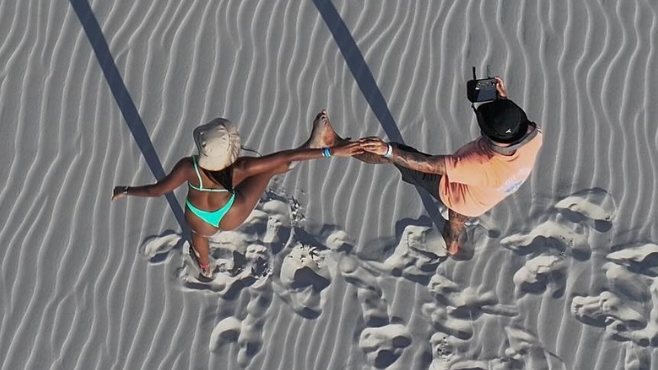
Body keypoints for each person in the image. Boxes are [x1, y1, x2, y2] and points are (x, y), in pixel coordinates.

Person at [113, 111, 362, 277]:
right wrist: (329, 153)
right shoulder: (240, 168)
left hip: (198, 219)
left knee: (199, 235)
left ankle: (205, 267)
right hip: (230, 215)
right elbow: (286, 156)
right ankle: (313, 143)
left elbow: (157, 191)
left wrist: (125, 190)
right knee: (267, 171)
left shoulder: (187, 168)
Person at [355, 77, 542, 257]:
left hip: (452, 191)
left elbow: (427, 164)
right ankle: (452, 246)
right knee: (458, 218)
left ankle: (337, 146)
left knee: (397, 155)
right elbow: (511, 127)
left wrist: (387, 150)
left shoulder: (478, 164)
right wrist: (503, 103)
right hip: (479, 198)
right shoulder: (534, 136)